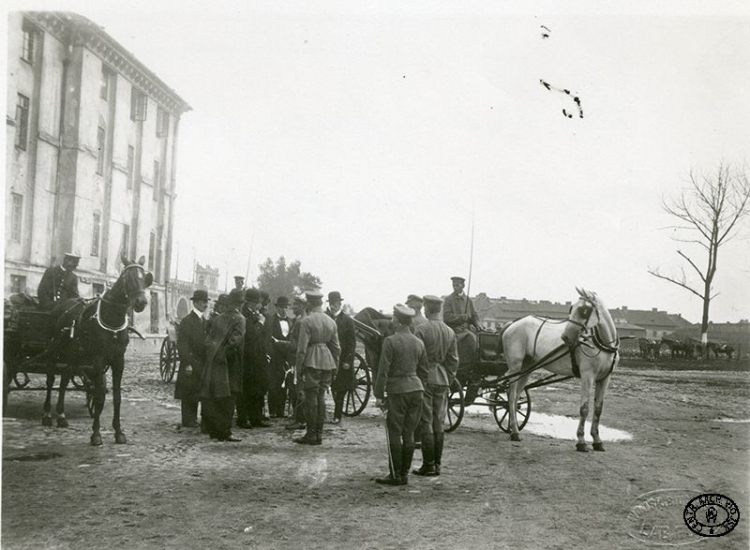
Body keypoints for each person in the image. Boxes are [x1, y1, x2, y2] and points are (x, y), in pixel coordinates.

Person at [374, 304, 427, 486]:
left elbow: (383, 371)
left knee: (395, 432)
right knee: (410, 432)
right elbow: (424, 371)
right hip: (416, 389)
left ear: (396, 320)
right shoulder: (419, 342)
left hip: (398, 390)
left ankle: (395, 474)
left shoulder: (390, 341)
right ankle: (404, 473)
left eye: (393, 318)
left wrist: (379, 395)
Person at [412, 295, 459, 476]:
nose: (423, 310)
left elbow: (417, 358)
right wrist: (447, 377)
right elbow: (454, 361)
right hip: (442, 379)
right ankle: (437, 464)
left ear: (428, 309)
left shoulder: (421, 330)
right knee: (439, 421)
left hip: (425, 379)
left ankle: (428, 465)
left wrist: (420, 378)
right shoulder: (449, 332)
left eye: (424, 307)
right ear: (438, 309)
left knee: (426, 422)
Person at [293, 290, 341, 445]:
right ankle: (319, 434)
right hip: (327, 361)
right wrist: (335, 367)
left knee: (311, 398)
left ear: (309, 303)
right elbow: (336, 348)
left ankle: (311, 434)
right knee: (321, 397)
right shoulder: (331, 321)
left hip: (312, 360)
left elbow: (301, 348)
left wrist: (299, 369)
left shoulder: (307, 321)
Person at [200, 288, 246, 442]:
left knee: (216, 396)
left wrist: (214, 352)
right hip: (231, 362)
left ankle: (214, 431)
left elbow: (207, 340)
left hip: (214, 362)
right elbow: (235, 342)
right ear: (239, 304)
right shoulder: (240, 319)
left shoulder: (218, 319)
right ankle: (225, 432)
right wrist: (224, 354)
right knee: (229, 396)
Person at [175, 290, 210, 428]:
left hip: (202, 361)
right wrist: (187, 363)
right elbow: (182, 344)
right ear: (195, 303)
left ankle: (194, 418)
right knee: (188, 391)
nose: (205, 304)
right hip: (190, 361)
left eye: (206, 302)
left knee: (197, 390)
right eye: (203, 302)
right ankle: (188, 419)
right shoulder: (187, 321)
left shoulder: (205, 322)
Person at [238, 288, 270, 429]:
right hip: (247, 357)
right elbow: (251, 335)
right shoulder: (243, 314)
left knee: (257, 389)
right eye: (257, 302)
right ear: (250, 302)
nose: (259, 305)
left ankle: (256, 418)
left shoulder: (255, 314)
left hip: (258, 357)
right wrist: (261, 323)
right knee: (246, 389)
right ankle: (243, 418)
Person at [443, 276, 481, 388]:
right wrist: (462, 317)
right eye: (454, 285)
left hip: (467, 330)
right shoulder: (448, 300)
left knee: (481, 338)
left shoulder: (468, 300)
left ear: (463, 286)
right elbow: (446, 317)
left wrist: (478, 325)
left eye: (457, 285)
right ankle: (462, 367)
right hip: (453, 330)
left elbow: (474, 316)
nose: (455, 287)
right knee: (471, 339)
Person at [326, 291, 356, 424]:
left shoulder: (348, 320)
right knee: (330, 385)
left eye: (336, 303)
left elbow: (352, 343)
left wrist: (348, 361)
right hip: (328, 357)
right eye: (331, 303)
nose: (333, 306)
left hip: (343, 358)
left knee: (341, 388)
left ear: (340, 304)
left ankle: (337, 415)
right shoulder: (325, 318)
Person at [265, 296, 294, 418]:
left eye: (286, 307)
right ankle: (272, 411)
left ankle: (281, 411)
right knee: (273, 383)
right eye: (281, 307)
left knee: (285, 382)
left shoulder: (292, 322)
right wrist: (270, 354)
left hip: (286, 357)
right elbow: (267, 339)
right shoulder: (271, 320)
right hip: (275, 356)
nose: (283, 310)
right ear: (276, 307)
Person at [285, 295, 308, 431]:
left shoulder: (300, 322)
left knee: (296, 389)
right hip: (297, 359)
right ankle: (300, 418)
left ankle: (299, 420)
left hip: (295, 360)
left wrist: (280, 344)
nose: (293, 307)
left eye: (296, 305)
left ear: (303, 306)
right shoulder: (301, 320)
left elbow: (296, 345)